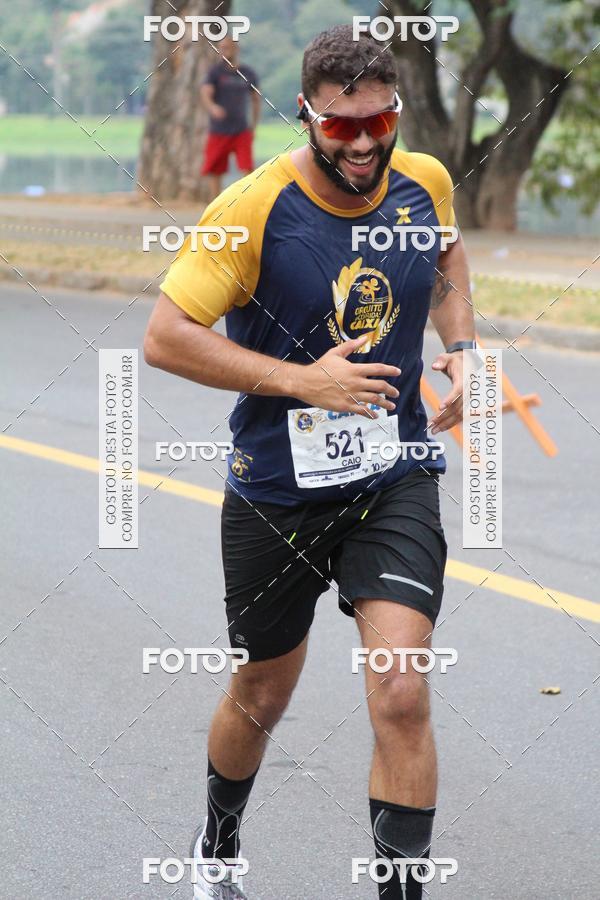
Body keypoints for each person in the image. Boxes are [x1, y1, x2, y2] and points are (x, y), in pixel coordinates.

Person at [145, 24, 475, 900]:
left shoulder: (425, 182)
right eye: (342, 129)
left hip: (393, 472)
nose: (364, 145)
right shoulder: (250, 209)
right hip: (278, 491)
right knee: (261, 689)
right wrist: (305, 381)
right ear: (307, 117)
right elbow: (165, 338)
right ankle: (217, 848)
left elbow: (444, 261)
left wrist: (466, 349)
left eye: (380, 123)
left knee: (402, 691)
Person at [200, 36, 261, 202]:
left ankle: (244, 202)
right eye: (220, 48)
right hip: (219, 130)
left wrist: (254, 126)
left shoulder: (248, 73)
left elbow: (256, 100)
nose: (223, 51)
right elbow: (205, 93)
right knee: (215, 169)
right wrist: (212, 107)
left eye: (226, 48)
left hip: (242, 129)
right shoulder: (215, 72)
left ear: (236, 49)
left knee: (247, 168)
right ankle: (215, 204)